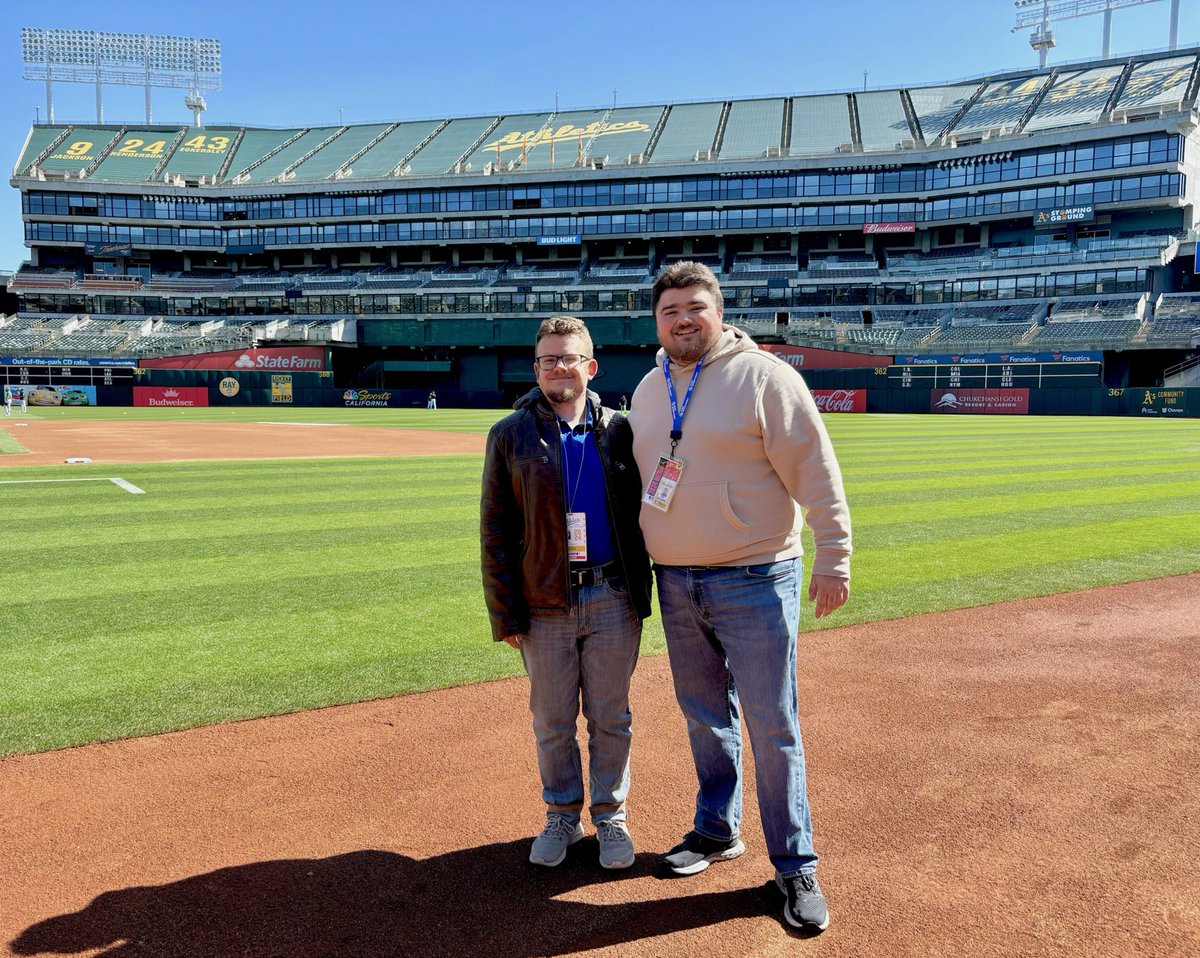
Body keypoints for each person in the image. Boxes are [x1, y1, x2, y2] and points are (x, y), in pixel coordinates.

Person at [628, 261, 851, 935]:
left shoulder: (766, 377)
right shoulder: (646, 387)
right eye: (670, 311)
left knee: (772, 726)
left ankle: (794, 864)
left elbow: (815, 464)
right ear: (657, 321)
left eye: (695, 307)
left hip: (756, 576)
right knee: (703, 716)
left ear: (719, 313)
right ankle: (716, 830)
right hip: (676, 580)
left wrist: (834, 554)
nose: (683, 319)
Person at [481, 315, 652, 870]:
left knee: (611, 718)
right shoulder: (510, 434)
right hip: (545, 603)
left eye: (570, 357)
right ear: (536, 368)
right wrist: (504, 611)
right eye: (550, 358)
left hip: (611, 597)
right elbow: (495, 528)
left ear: (590, 366)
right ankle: (561, 813)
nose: (560, 366)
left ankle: (610, 817)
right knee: (552, 721)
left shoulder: (621, 429)